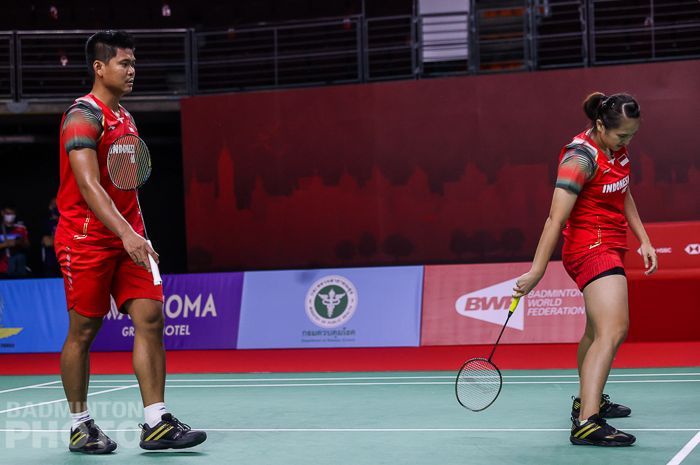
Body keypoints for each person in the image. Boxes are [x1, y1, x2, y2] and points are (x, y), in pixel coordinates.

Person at [55, 30, 206, 454]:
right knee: (84, 330)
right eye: (124, 63)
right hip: (85, 239)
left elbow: (127, 187)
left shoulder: (127, 119)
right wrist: (126, 233)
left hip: (129, 238)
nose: (132, 70)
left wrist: (137, 233)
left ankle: (156, 422)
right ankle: (80, 426)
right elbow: (88, 185)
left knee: (152, 317)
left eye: (133, 62)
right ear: (99, 68)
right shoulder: (81, 116)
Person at [513, 92, 657, 447]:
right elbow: (554, 219)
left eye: (632, 136)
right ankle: (587, 422)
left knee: (595, 333)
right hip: (589, 248)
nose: (627, 142)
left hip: (611, 244)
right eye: (622, 136)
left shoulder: (615, 149)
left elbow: (622, 191)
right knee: (614, 328)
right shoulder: (579, 159)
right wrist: (536, 270)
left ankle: (587, 402)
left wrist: (644, 238)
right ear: (599, 125)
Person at [0, 206, 30, 277]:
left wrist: (17, 242)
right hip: (2, 267)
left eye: (12, 214)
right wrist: (4, 244)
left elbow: (28, 245)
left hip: (17, 267)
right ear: (2, 213)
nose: (10, 216)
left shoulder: (21, 228)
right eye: (7, 213)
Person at [41, 198, 61, 277]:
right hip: (50, 265)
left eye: (59, 204)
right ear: (50, 207)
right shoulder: (46, 223)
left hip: (66, 263)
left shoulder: (68, 222)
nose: (56, 207)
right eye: (54, 205)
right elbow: (47, 242)